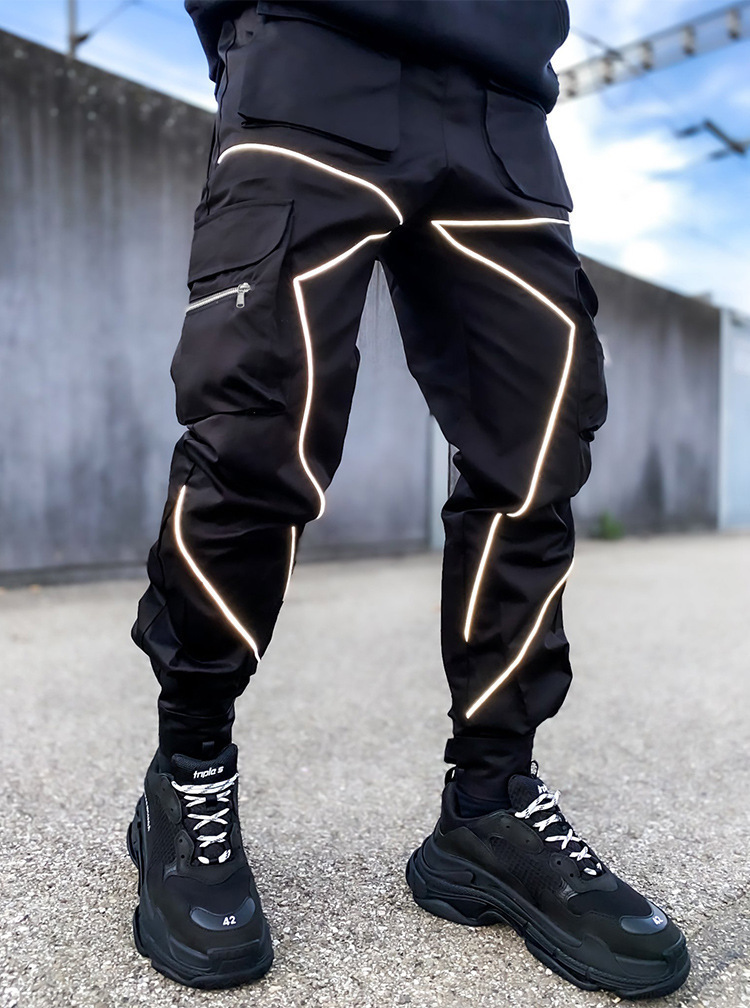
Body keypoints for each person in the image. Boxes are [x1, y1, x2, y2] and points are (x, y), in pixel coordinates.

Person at [126, 0, 689, 997]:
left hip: (501, 111)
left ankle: (489, 805)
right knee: (256, 437)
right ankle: (189, 772)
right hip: (310, 61)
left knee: (538, 456)